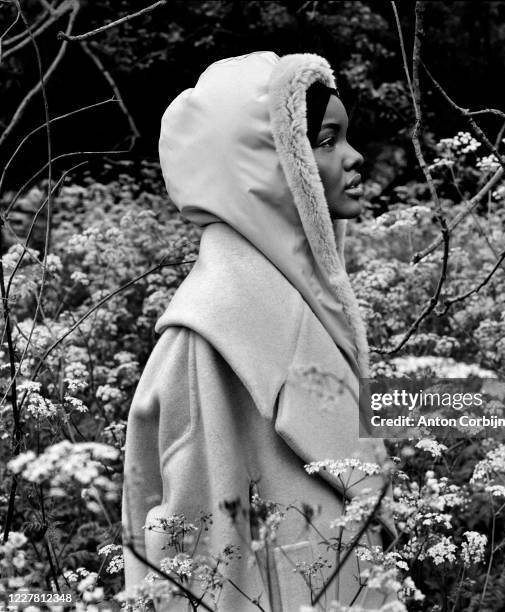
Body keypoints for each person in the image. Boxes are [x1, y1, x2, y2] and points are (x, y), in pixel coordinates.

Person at [122, 51, 393, 611]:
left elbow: (349, 416)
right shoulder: (211, 328)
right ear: (269, 164)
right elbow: (192, 543)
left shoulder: (292, 299)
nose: (355, 156)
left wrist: (498, 405)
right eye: (326, 140)